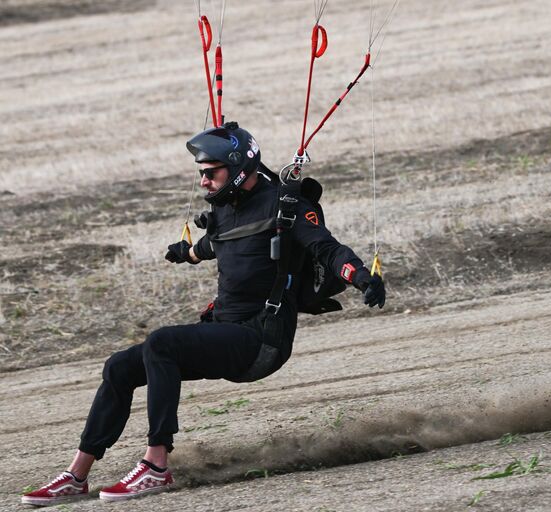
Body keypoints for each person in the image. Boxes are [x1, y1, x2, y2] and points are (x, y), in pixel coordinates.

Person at [21, 122, 386, 506]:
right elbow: (214, 245)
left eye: (210, 174)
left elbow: (329, 250)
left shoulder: (285, 206)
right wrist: (186, 253)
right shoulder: (227, 211)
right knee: (119, 366)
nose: (203, 183)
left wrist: (362, 276)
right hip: (225, 330)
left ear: (237, 167)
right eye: (201, 174)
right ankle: (76, 476)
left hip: (260, 339)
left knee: (162, 343)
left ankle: (156, 467)